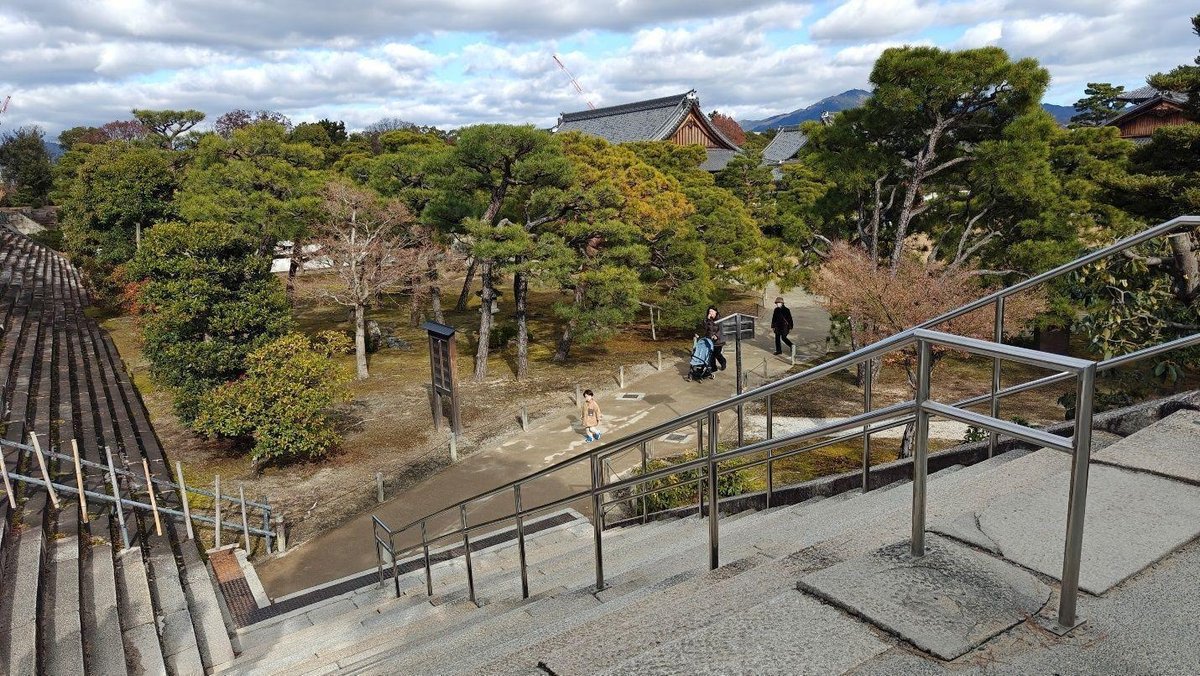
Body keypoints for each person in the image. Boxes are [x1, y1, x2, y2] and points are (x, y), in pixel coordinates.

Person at [703, 306, 727, 372]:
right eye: (709, 311)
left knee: (717, 353)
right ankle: (713, 368)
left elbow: (722, 329)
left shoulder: (720, 319)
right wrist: (708, 320)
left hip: (718, 341)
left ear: (715, 312)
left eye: (712, 311)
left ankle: (723, 362)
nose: (710, 313)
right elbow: (706, 329)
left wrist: (716, 335)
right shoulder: (707, 320)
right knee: (711, 355)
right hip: (709, 340)